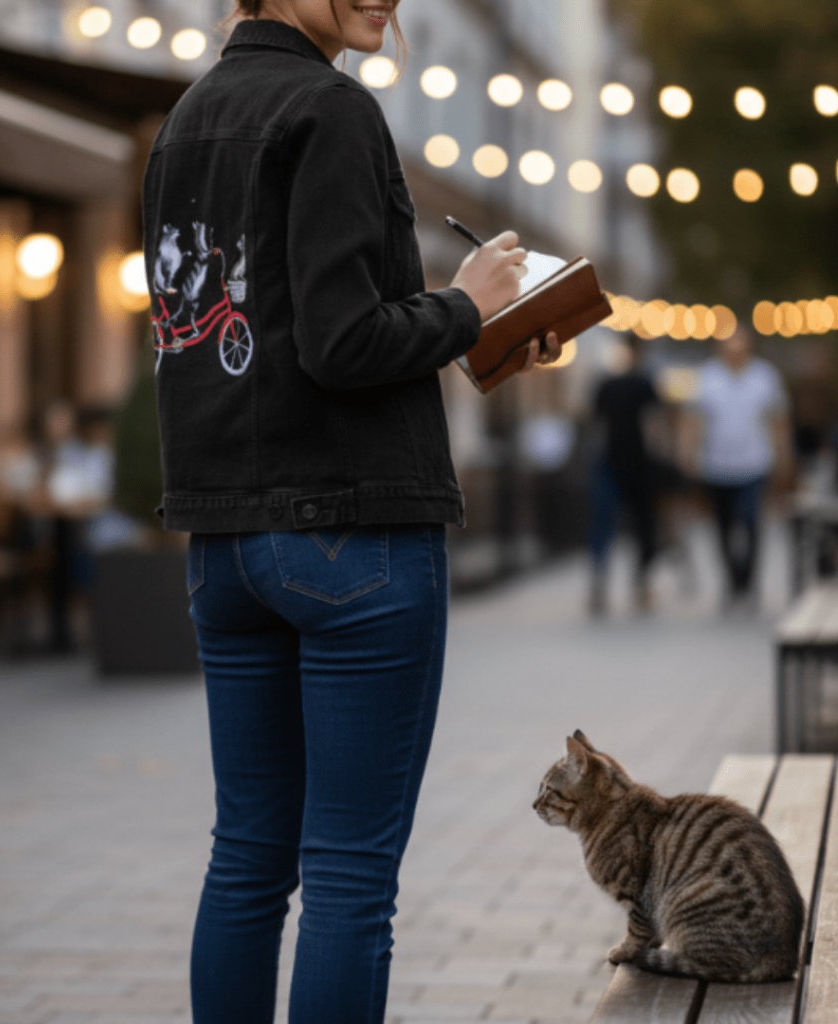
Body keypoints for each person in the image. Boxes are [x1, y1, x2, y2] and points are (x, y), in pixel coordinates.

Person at [141, 3, 560, 1021]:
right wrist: (467, 305)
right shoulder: (330, 108)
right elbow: (338, 342)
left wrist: (460, 330)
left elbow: (246, 328)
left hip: (225, 543)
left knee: (244, 863)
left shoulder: (184, 121)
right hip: (350, 533)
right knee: (346, 877)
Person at [682, 327, 792, 611]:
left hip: (754, 463)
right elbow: (692, 419)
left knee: (751, 523)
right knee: (722, 527)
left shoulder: (764, 376)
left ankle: (748, 583)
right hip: (716, 465)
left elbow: (778, 421)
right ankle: (732, 582)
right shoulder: (706, 376)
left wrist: (783, 459)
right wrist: (689, 455)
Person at [588, 334, 663, 614]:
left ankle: (636, 581)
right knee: (618, 524)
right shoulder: (614, 384)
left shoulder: (639, 384)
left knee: (633, 525)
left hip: (630, 463)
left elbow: (653, 425)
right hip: (619, 463)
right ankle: (609, 581)